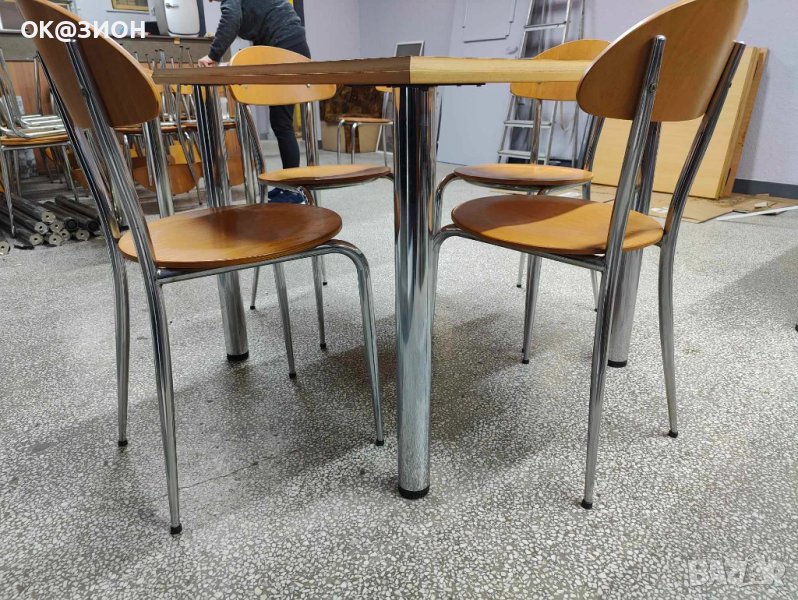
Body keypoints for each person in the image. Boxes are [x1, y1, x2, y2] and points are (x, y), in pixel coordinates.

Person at [199, 0, 309, 203]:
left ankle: (294, 190)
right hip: (287, 45)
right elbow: (261, 27)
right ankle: (289, 185)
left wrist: (213, 55)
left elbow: (231, 19)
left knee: (282, 123)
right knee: (281, 122)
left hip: (284, 48)